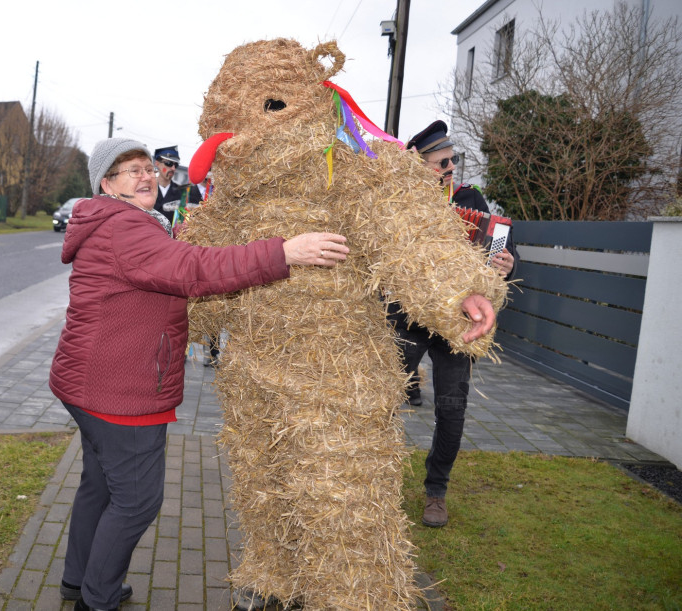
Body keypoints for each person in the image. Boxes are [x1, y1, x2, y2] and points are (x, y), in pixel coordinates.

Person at [49, 138, 348, 611]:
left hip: (87, 380)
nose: (146, 175)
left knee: (100, 485)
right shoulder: (126, 228)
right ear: (106, 185)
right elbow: (193, 269)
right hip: (119, 390)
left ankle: (80, 580)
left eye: (148, 167)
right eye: (130, 171)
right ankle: (96, 600)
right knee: (136, 502)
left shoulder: (117, 222)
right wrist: (283, 252)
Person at [388, 119, 519, 528]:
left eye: (452, 160)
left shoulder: (472, 199)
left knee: (452, 408)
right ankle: (376, 480)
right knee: (384, 400)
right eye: (442, 162)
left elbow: (505, 255)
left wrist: (506, 263)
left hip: (458, 326)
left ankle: (436, 492)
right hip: (408, 320)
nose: (450, 169)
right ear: (418, 165)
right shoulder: (402, 205)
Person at [152, 145, 201, 223]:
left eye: (176, 165)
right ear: (157, 163)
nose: (173, 168)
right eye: (169, 163)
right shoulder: (146, 189)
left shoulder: (184, 193)